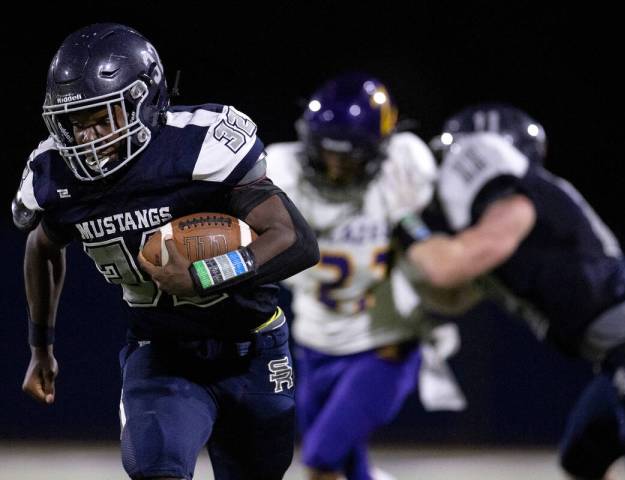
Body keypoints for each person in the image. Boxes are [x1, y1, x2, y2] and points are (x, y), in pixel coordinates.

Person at [13, 23, 319, 480]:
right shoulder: (56, 177)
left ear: (145, 101)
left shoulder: (197, 145)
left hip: (252, 347)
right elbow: (41, 247)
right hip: (162, 352)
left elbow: (295, 239)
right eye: (76, 123)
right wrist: (41, 345)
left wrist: (204, 274)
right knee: (155, 469)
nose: (88, 139)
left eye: (104, 117)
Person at [402, 103, 625, 479]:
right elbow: (450, 294)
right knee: (580, 460)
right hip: (620, 359)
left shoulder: (518, 203)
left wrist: (400, 221)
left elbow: (446, 266)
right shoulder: (510, 218)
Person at [265, 73, 462, 480]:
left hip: (383, 345)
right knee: (350, 468)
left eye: (349, 156)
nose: (335, 167)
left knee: (320, 458)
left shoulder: (404, 170)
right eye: (327, 153)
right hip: (314, 342)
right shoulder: (282, 171)